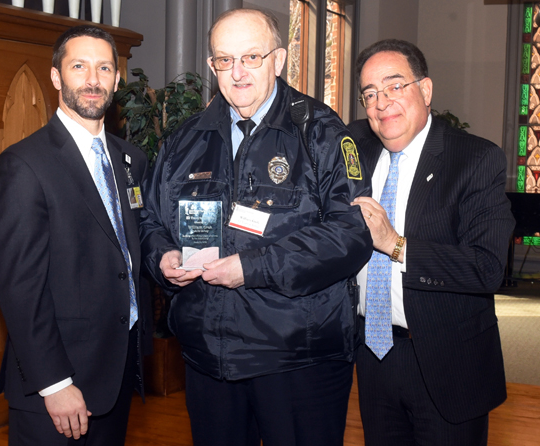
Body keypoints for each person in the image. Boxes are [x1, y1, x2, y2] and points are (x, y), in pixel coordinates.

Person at [140, 7, 372, 446]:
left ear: (279, 60)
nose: (238, 72)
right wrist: (163, 257)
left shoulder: (321, 133)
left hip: (297, 358)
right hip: (209, 356)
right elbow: (151, 219)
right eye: (224, 60)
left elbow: (351, 232)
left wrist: (253, 267)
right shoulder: (184, 140)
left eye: (252, 57)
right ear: (212, 67)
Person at [0, 25, 150, 445]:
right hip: (57, 386)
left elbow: (128, 251)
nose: (93, 79)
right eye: (79, 66)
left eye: (104, 68)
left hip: (116, 372)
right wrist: (55, 384)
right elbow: (20, 290)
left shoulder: (131, 159)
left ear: (116, 79)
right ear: (57, 77)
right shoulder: (23, 165)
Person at [348, 39, 515, 446]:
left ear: (425, 90)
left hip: (446, 361)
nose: (381, 102)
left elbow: (487, 267)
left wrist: (395, 244)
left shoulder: (475, 160)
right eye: (369, 94)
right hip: (372, 355)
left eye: (393, 86)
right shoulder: (353, 150)